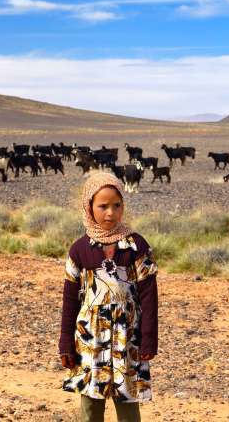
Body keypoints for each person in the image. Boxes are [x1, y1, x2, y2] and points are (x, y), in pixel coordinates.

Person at [59, 172, 159, 422]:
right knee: (91, 402)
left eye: (117, 205)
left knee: (127, 400)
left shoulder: (136, 246)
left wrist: (149, 338)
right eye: (102, 206)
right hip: (89, 336)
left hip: (128, 336)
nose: (110, 213)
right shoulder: (79, 249)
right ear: (89, 206)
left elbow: (149, 295)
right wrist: (65, 342)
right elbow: (70, 299)